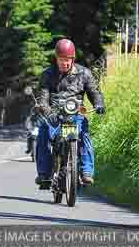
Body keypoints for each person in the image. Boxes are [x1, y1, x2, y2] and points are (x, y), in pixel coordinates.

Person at [35, 38, 105, 188]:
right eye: (61, 60)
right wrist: (47, 111)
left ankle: (86, 172)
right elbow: (42, 97)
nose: (64, 63)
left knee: (84, 133)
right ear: (56, 59)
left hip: (75, 114)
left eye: (68, 60)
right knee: (42, 132)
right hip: (54, 115)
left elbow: (94, 92)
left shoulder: (84, 73)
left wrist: (99, 104)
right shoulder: (47, 74)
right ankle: (44, 174)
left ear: (73, 59)